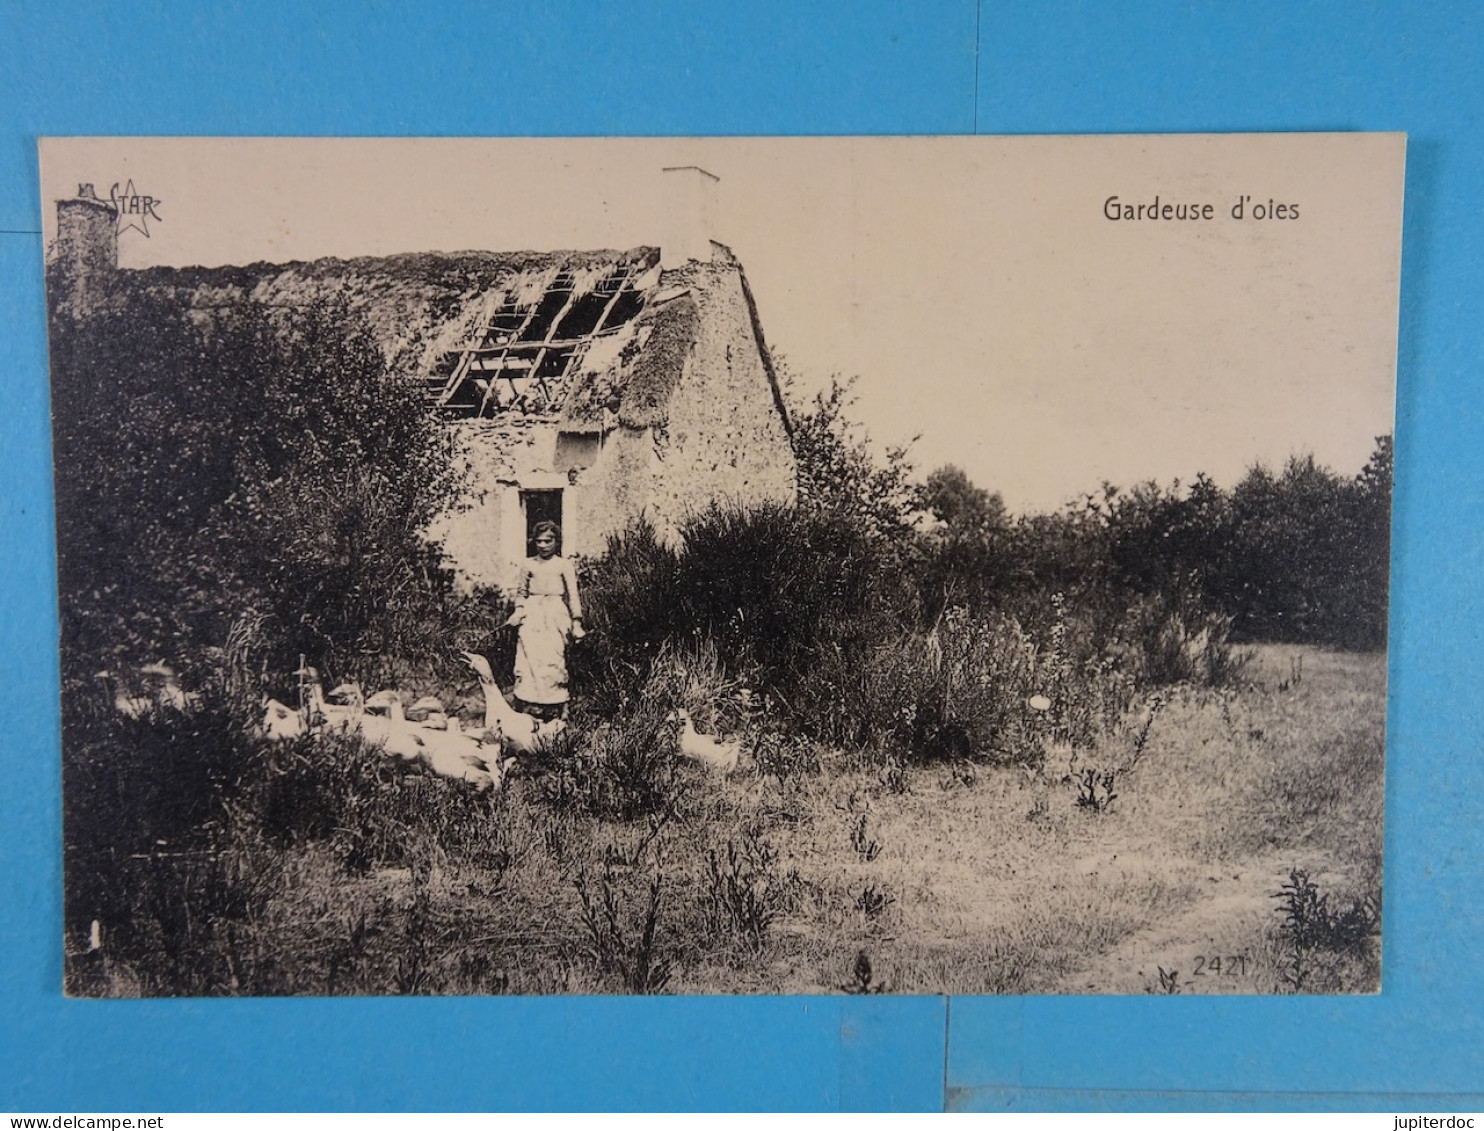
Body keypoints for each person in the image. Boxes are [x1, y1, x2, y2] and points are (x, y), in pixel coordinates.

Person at [507, 520, 584, 717]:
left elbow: (573, 595)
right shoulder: (528, 564)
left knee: (553, 659)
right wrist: (518, 611)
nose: (542, 545)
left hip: (555, 615)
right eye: (539, 541)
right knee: (529, 659)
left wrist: (576, 622)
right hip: (532, 615)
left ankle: (560, 707)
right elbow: (521, 593)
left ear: (556, 542)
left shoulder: (563, 565)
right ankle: (526, 709)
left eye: (547, 541)